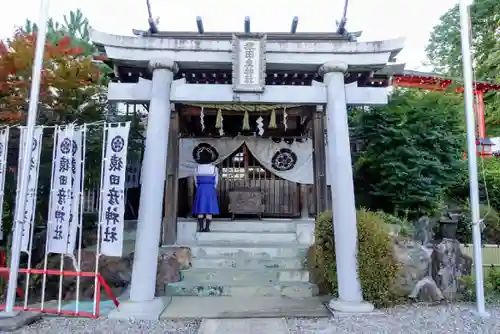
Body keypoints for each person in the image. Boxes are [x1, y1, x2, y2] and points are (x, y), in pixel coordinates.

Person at [192, 150, 220, 232]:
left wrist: (200, 187)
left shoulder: (196, 168)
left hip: (200, 189)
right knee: (209, 209)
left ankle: (201, 227)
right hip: (210, 189)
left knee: (200, 209)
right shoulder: (214, 169)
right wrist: (212, 187)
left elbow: (196, 182)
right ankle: (207, 228)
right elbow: (216, 182)